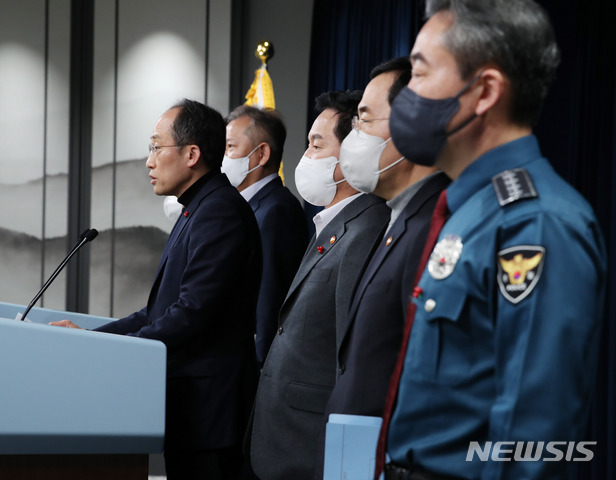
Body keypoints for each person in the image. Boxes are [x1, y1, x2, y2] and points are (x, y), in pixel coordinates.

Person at [378, 1, 607, 479]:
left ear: (484, 92)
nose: (407, 95)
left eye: (419, 74)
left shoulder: (535, 224)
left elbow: (535, 443)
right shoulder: (472, 209)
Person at [52, 99, 262, 480]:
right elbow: (155, 313)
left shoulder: (219, 212)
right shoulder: (195, 207)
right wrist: (91, 340)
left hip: (209, 412)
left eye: (155, 147)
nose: (148, 161)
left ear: (191, 154)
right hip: (190, 408)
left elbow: (191, 314)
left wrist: (105, 348)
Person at [317, 56, 450, 477]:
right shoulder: (399, 217)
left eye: (364, 120)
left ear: (412, 124)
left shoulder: (434, 224)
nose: (354, 136)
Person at [248, 90, 390, 480]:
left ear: (351, 155)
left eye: (316, 144)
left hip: (310, 445)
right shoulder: (329, 224)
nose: (306, 156)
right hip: (282, 438)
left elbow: (352, 359)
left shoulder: (367, 228)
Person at [224, 106, 308, 368]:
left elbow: (269, 297)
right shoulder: (244, 206)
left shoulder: (276, 210)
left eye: (230, 147)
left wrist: (259, 366)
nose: (222, 157)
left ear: (261, 153)